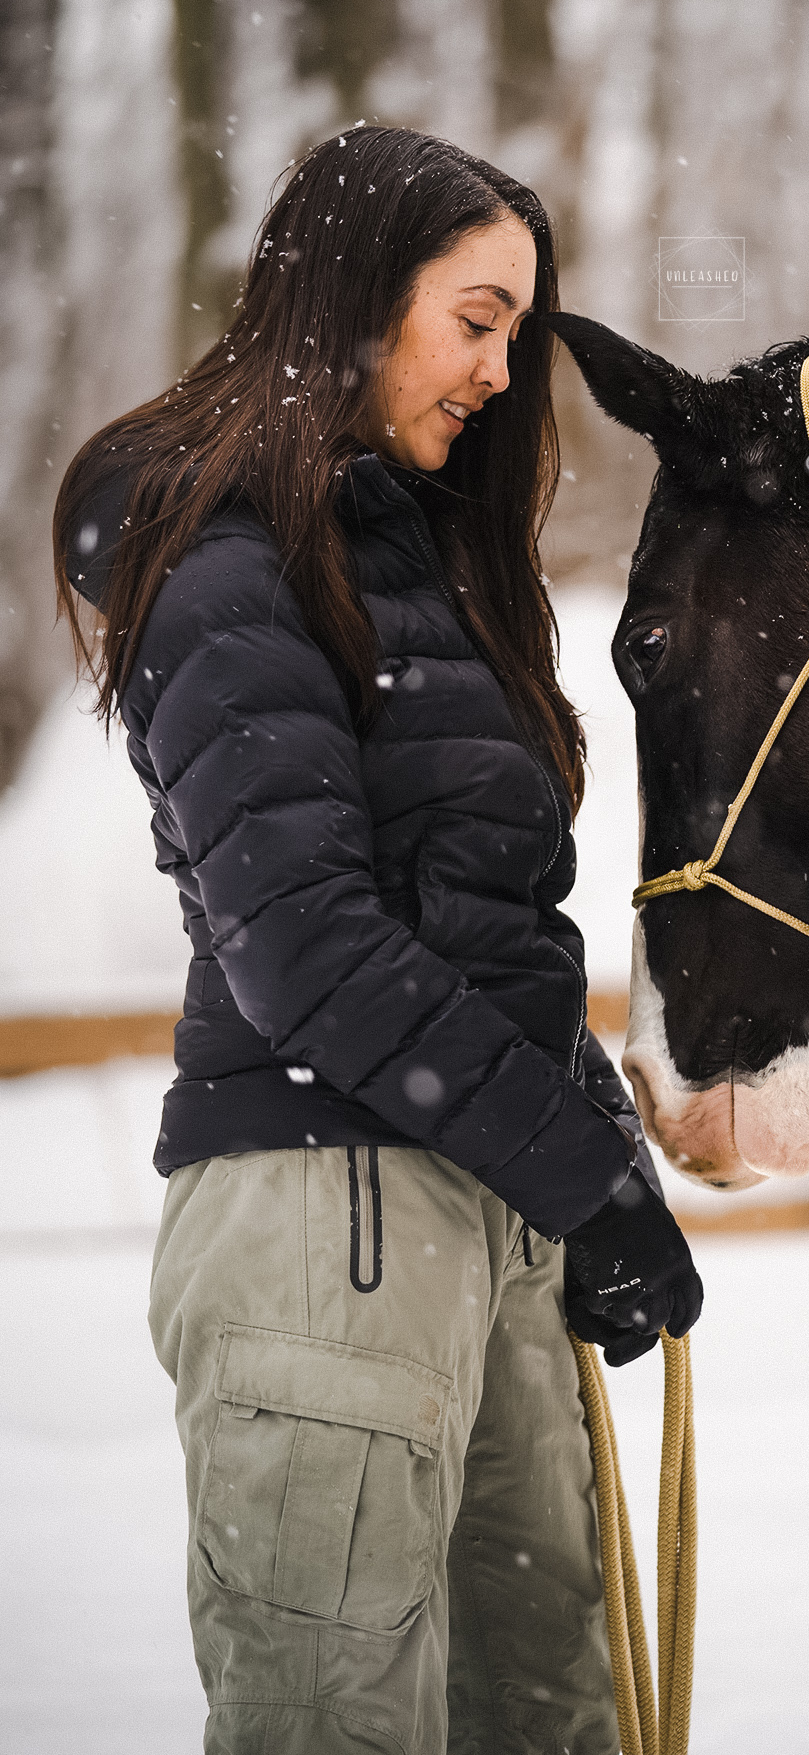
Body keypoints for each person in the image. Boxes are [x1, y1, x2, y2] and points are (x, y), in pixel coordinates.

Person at [53, 126, 703, 1755]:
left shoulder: (405, 554)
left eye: (516, 335)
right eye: (474, 320)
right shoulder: (222, 558)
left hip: (473, 1206)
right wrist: (576, 1172)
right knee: (338, 1729)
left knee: (544, 1711)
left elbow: (480, 924)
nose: (498, 373)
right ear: (349, 300)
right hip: (319, 1213)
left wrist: (593, 1159)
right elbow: (309, 950)